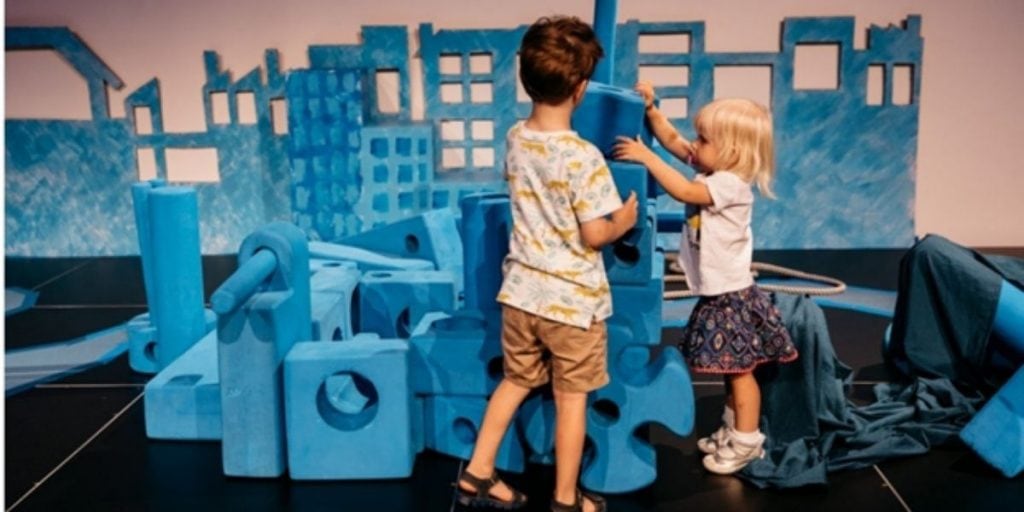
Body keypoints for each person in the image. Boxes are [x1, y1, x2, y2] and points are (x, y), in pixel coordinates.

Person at [454, 15, 638, 512]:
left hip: (520, 296)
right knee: (571, 400)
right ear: (580, 88)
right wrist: (623, 218)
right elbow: (594, 233)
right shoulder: (583, 158)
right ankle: (564, 498)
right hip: (572, 306)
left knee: (514, 383)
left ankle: (476, 473)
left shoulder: (516, 138)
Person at [613, 83, 798, 475]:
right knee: (731, 371)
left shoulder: (729, 185)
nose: (693, 145)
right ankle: (733, 431)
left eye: (704, 139)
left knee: (740, 373)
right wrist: (652, 112)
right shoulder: (715, 170)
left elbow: (681, 188)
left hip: (732, 297)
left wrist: (645, 156)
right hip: (719, 294)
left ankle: (747, 442)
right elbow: (677, 144)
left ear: (730, 152)